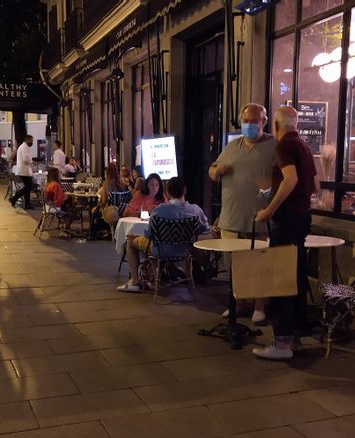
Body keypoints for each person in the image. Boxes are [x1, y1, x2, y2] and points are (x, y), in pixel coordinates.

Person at [252, 106, 317, 360]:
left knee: (280, 278)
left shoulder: (284, 146)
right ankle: (295, 338)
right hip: (301, 218)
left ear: (277, 126)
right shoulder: (303, 146)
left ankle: (282, 343)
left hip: (287, 220)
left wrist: (269, 210)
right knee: (295, 278)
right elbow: (314, 183)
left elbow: (290, 179)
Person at [209, 102, 276, 324]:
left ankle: (259, 306)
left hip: (260, 218)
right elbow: (213, 170)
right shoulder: (232, 146)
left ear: (264, 121)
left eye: (253, 121)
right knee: (235, 265)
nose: (248, 125)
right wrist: (216, 171)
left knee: (260, 265)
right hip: (232, 217)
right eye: (245, 121)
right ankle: (238, 303)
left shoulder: (273, 146)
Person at [117, 176, 212, 293]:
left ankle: (134, 281)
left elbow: (149, 235)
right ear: (185, 190)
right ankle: (154, 276)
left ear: (167, 192)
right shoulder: (195, 210)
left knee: (130, 240)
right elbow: (205, 230)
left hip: (160, 250)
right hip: (185, 250)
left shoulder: (159, 210)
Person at [10, 134, 35, 209]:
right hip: (24, 171)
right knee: (28, 187)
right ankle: (14, 198)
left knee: (28, 187)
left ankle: (27, 204)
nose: (32, 142)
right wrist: (32, 162)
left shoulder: (24, 147)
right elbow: (25, 159)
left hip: (24, 170)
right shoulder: (24, 147)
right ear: (27, 140)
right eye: (31, 140)